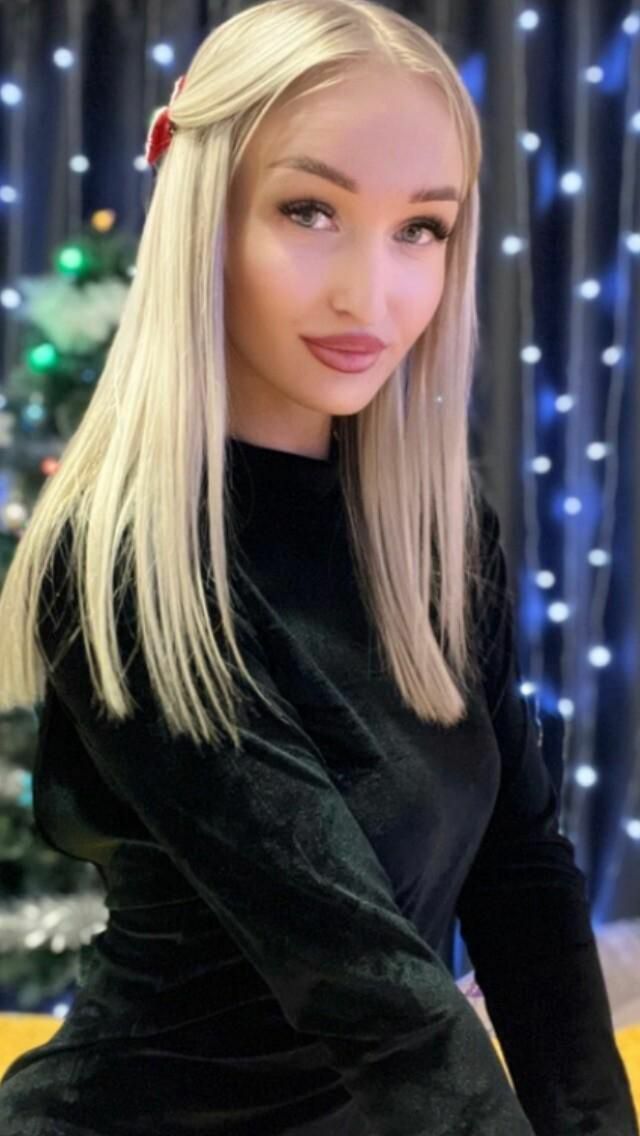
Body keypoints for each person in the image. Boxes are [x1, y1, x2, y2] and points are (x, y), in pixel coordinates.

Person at [0, 0, 637, 1133]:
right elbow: (366, 987)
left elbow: (522, 880)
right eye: (309, 211)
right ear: (205, 216)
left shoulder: (440, 533)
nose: (369, 293)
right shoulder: (131, 559)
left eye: (420, 229)